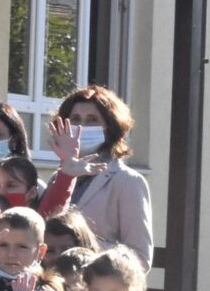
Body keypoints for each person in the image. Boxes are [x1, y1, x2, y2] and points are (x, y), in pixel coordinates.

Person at [50, 88, 153, 263]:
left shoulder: (127, 181)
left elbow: (140, 257)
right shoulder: (58, 178)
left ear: (110, 127)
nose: (81, 127)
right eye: (75, 119)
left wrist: (82, 247)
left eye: (92, 120)